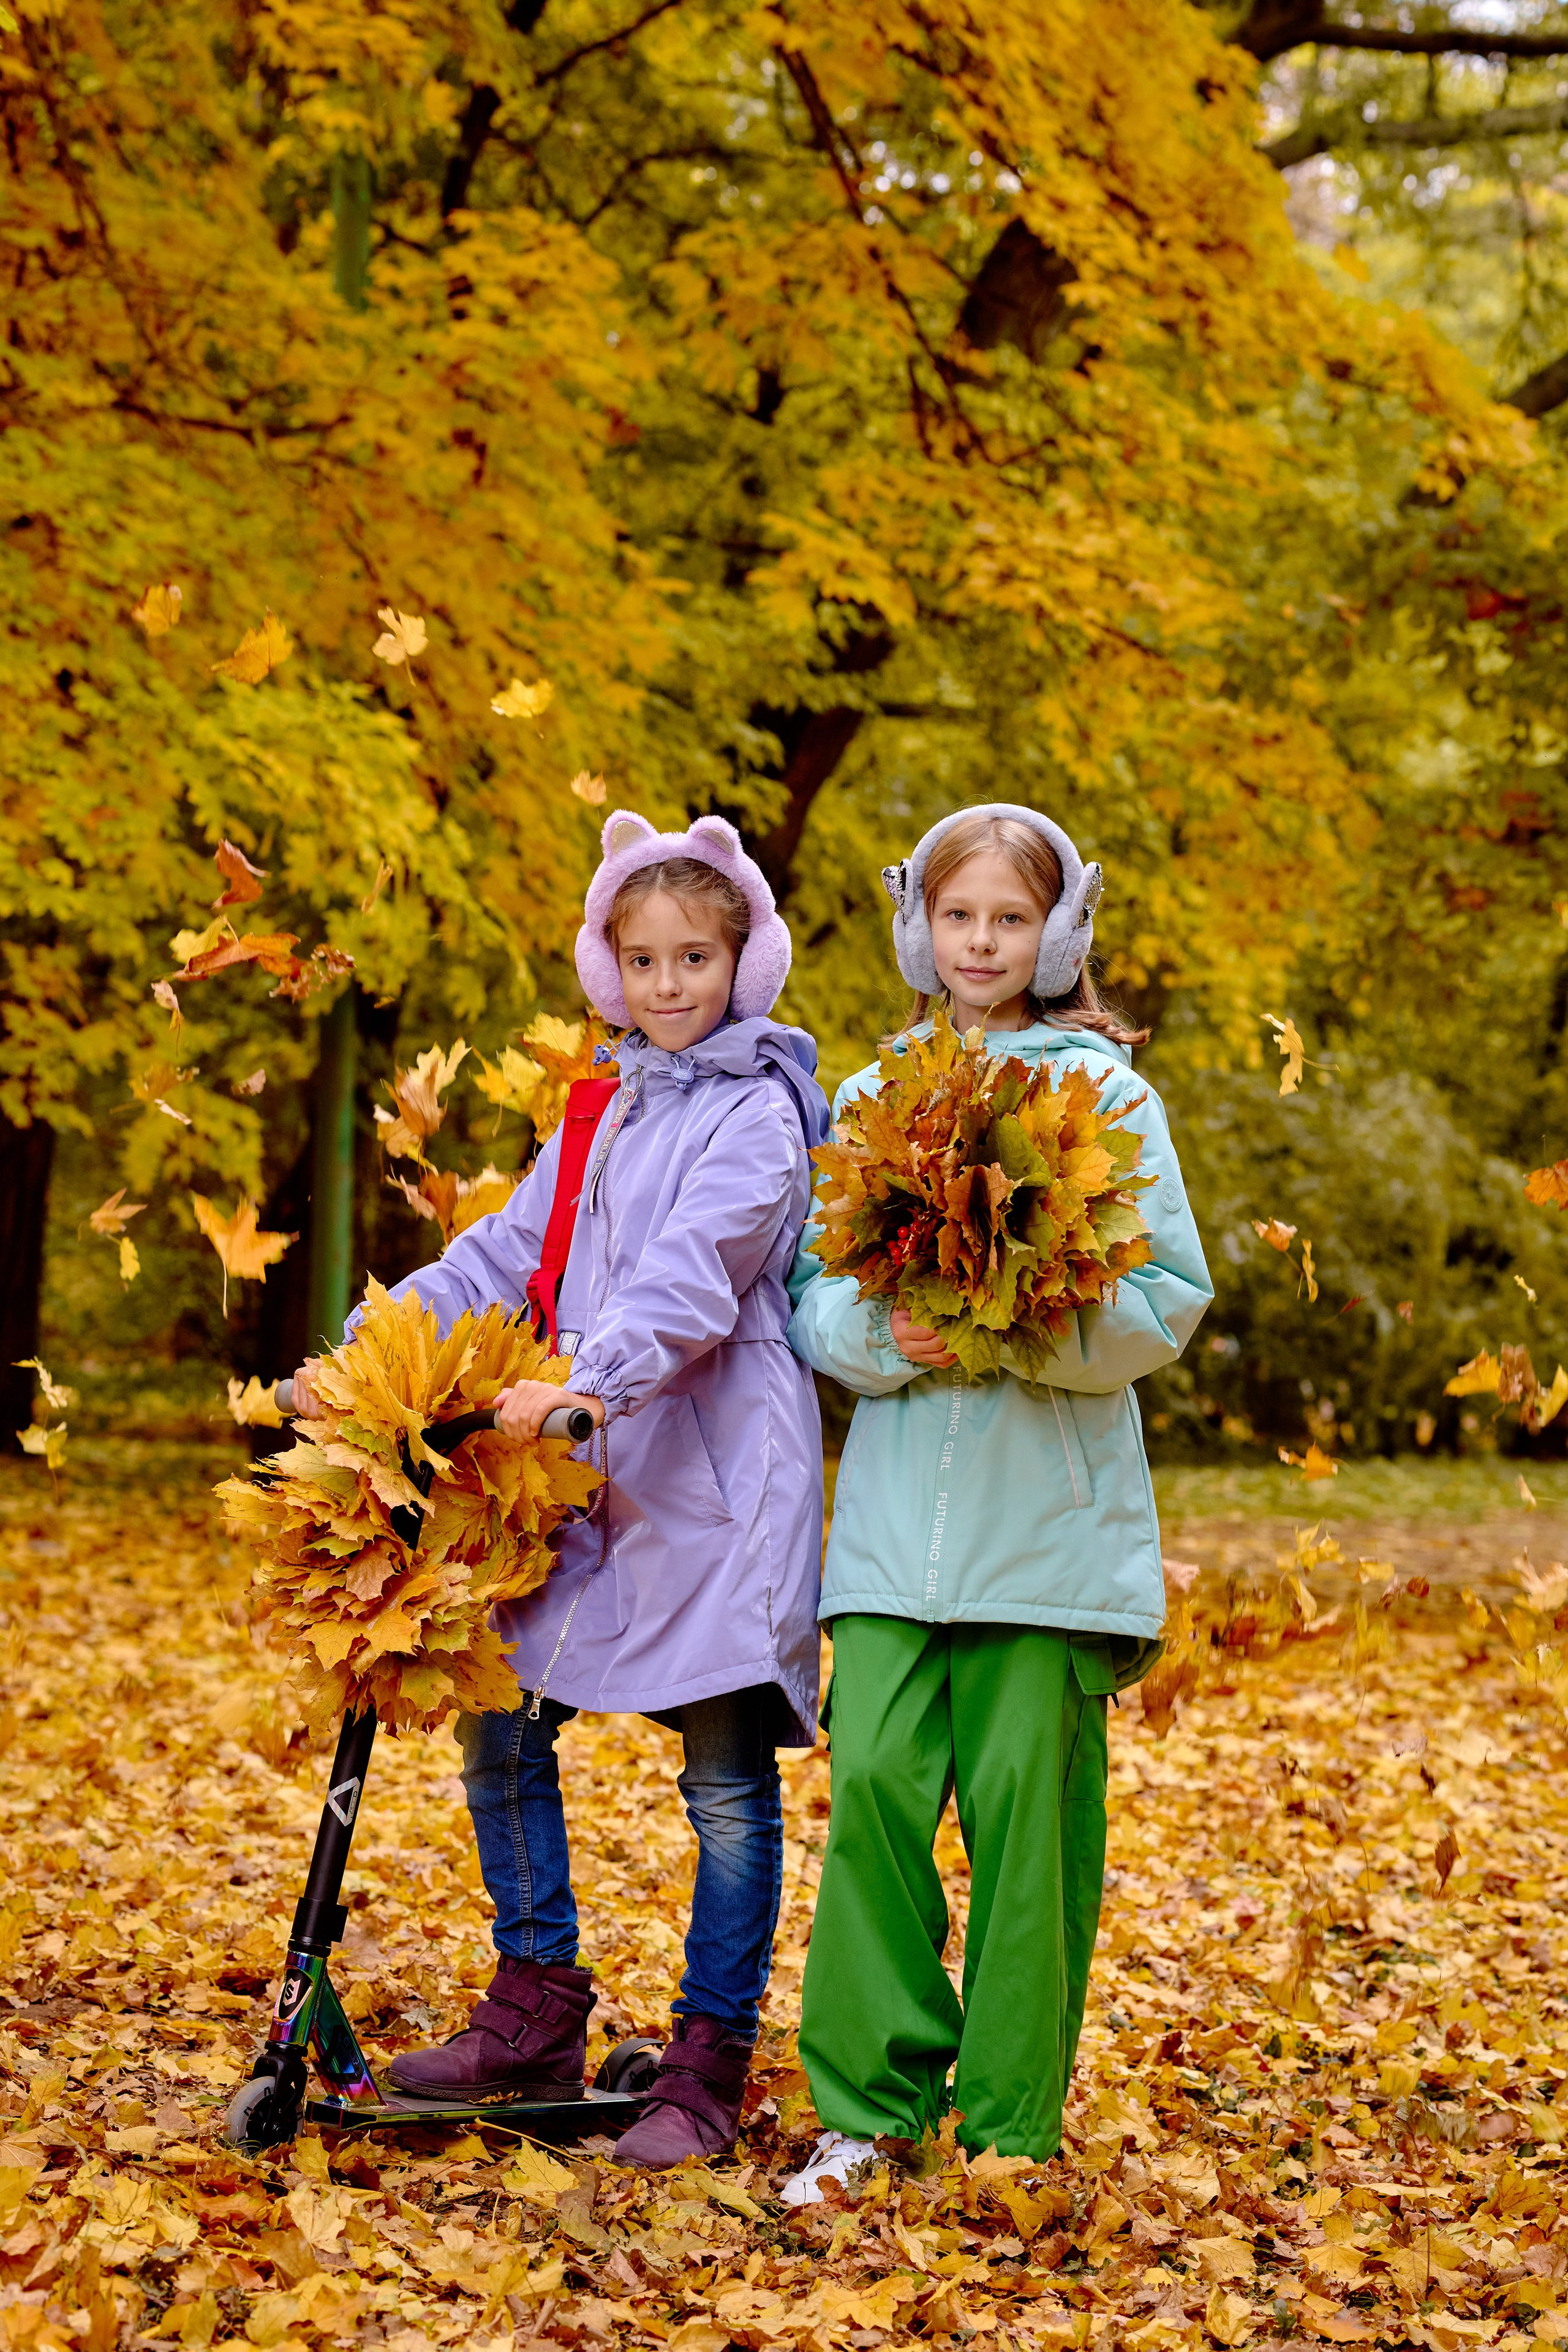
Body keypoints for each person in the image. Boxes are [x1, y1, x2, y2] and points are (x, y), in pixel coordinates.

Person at [291, 810, 830, 2168]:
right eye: (641, 959)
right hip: (576, 1458)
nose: (666, 985)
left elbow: (694, 1274)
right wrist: (368, 1356)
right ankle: (535, 2001)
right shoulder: (601, 1104)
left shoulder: (761, 1110)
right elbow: (499, 1252)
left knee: (719, 1773)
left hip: (705, 1460)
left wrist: (591, 1375)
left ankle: (707, 2055)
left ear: (742, 959)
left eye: (693, 957)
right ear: (608, 967)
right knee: (506, 1720)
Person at [779, 802, 1212, 2199]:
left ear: (1058, 931)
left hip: (1049, 1544)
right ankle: (866, 2109)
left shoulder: (1112, 1097)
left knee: (1031, 1833)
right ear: (919, 924)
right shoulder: (870, 1093)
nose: (980, 943)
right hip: (891, 1541)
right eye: (958, 916)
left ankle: (1010, 2129)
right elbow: (811, 1298)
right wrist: (881, 1344)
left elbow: (1164, 1297)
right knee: (872, 1802)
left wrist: (1024, 1318)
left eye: (1009, 919)